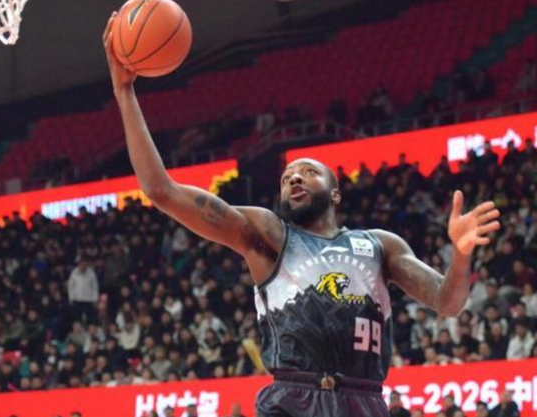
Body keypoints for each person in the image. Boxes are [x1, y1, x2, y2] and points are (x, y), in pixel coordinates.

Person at [102, 16, 501, 417]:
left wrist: (461, 253)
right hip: (292, 398)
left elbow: (448, 302)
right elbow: (161, 190)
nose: (294, 178)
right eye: (287, 177)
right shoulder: (268, 235)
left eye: (308, 172)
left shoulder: (380, 245)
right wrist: (124, 92)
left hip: (363, 401)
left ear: (335, 192)